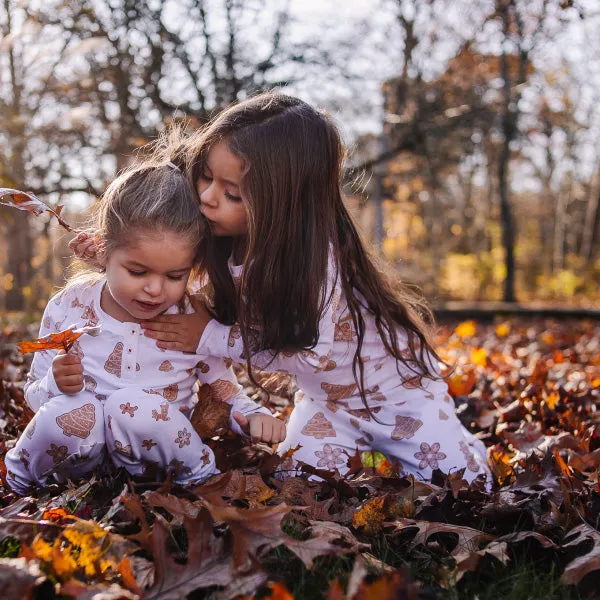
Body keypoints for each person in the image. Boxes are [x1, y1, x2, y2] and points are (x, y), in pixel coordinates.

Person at [72, 92, 489, 483]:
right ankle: (357, 449)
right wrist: (112, 262)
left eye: (232, 192)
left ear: (282, 201)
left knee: (464, 484)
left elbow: (313, 356)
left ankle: (464, 446)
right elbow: (168, 268)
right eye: (205, 177)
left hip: (399, 397)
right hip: (328, 406)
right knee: (298, 480)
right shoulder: (220, 229)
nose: (208, 198)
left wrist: (212, 336)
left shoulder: (313, 260)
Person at [5, 138, 283, 496]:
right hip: (76, 458)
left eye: (173, 276)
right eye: (137, 272)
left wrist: (253, 417)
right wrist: (55, 384)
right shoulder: (70, 306)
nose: (155, 289)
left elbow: (222, 386)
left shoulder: (189, 316)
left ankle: (199, 477)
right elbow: (35, 396)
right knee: (75, 408)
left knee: (131, 407)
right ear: (104, 251)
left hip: (153, 461)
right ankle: (19, 481)